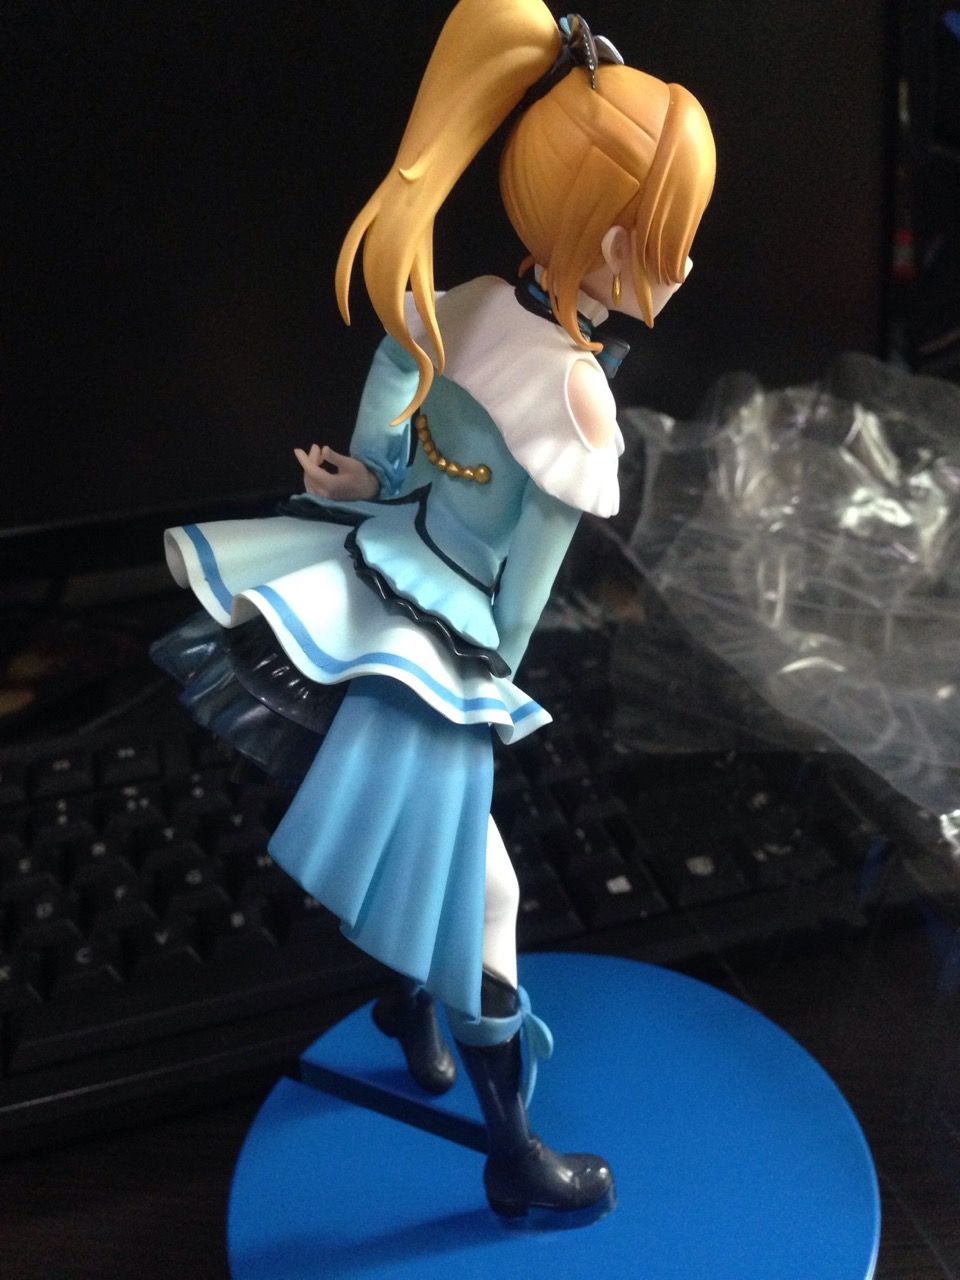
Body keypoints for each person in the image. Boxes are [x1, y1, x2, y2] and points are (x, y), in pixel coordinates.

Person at [153, 0, 715, 1226]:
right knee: (484, 893)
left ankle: (407, 1007)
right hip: (448, 643)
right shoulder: (578, 400)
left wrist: (371, 486)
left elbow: (400, 423)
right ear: (601, 235)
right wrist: (480, 694)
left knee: (439, 861)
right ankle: (513, 1157)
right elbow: (520, 601)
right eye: (663, 239)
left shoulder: (463, 301)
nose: (678, 267)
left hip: (378, 574)